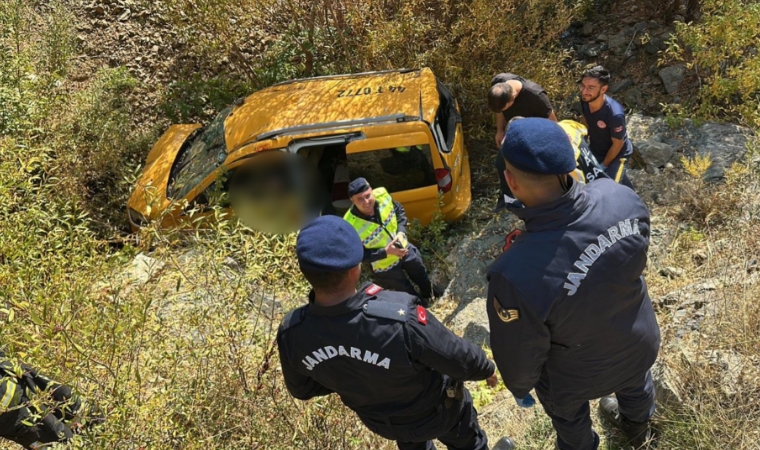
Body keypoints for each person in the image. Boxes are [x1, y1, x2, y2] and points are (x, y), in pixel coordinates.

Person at [486, 118, 660, 450]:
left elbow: (519, 354)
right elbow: (636, 259)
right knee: (636, 385)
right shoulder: (620, 197)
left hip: (574, 378)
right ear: (570, 164)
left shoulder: (513, 273)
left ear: (511, 181)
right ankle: (637, 430)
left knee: (570, 421)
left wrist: (520, 388)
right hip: (638, 340)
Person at [276, 215, 514, 450]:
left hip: (384, 423)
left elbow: (302, 389)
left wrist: (347, 373)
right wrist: (485, 368)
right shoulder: (397, 316)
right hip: (438, 411)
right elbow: (453, 354)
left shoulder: (292, 332)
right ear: (355, 270)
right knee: (467, 443)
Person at [343, 177, 438, 306]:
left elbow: (399, 211)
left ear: (372, 190)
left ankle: (431, 295)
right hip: (385, 267)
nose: (366, 202)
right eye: (360, 199)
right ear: (352, 201)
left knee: (421, 275)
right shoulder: (349, 224)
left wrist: (401, 232)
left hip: (404, 249)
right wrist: (386, 252)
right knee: (405, 293)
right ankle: (421, 310)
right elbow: (358, 255)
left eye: (368, 196)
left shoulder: (382, 195)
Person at [0, 350, 105, 449]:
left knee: (73, 405)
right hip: (10, 413)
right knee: (59, 441)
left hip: (13, 372)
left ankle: (110, 434)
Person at [488, 73, 558, 212]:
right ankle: (507, 198)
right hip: (514, 132)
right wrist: (500, 131)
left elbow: (554, 123)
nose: (502, 111)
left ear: (513, 98)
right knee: (501, 163)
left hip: (536, 134)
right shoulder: (499, 83)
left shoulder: (536, 96)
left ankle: (538, 200)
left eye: (504, 107)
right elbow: (500, 111)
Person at [578, 66, 635, 189]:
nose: (584, 91)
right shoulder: (586, 99)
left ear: (603, 89)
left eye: (590, 88)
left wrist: (603, 165)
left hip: (618, 154)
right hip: (596, 148)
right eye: (582, 85)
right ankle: (631, 195)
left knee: (610, 187)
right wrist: (582, 140)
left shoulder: (614, 114)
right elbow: (586, 119)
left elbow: (618, 144)